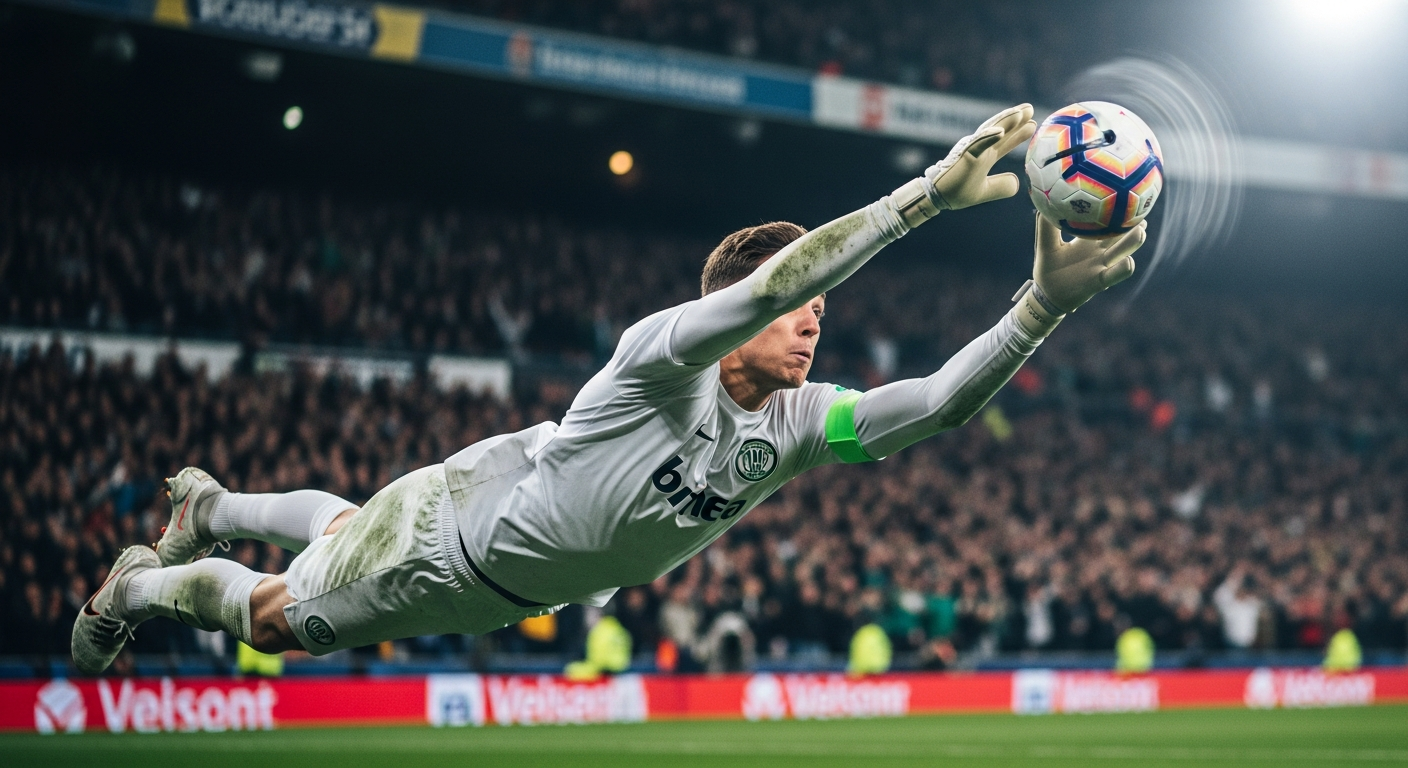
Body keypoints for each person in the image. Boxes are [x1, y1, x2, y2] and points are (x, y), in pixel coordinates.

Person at [72, 104, 1147, 674]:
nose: (816, 321)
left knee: (340, 531)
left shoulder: (802, 425)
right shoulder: (659, 365)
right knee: (268, 620)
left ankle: (211, 507)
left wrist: (1040, 304)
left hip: (498, 564)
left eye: (820, 316)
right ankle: (134, 585)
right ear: (731, 311)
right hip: (453, 543)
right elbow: (784, 274)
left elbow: (941, 405)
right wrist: (919, 199)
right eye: (794, 311)